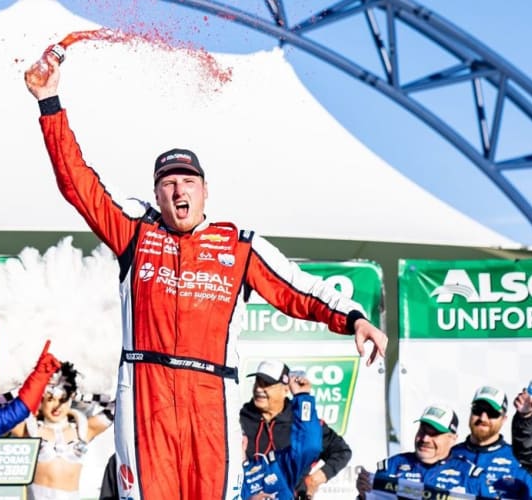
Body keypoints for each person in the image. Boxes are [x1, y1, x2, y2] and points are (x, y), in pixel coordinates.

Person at [24, 49, 389, 499]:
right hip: (147, 394)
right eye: (168, 182)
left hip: (211, 396)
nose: (178, 189)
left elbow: (300, 289)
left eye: (188, 181)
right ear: (156, 193)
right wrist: (49, 102)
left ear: (205, 190)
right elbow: (77, 182)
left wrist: (354, 318)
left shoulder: (238, 244)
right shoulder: (136, 229)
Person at [240, 360, 352, 500]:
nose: (259, 389)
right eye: (258, 382)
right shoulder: (238, 420)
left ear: (285, 389)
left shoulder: (301, 422)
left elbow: (341, 451)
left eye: (267, 384)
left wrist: (314, 480)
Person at [10, 361, 114, 499]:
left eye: (63, 400)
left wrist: (82, 397)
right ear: (41, 400)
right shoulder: (29, 430)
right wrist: (28, 390)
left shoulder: (83, 430)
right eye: (51, 399)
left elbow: (118, 406)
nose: (57, 406)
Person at [356, 405, 488, 498]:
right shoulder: (392, 466)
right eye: (422, 431)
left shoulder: (471, 477)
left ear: (452, 439)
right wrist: (363, 496)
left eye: (434, 434)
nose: (425, 439)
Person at [241, 372, 322, 500]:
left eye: (266, 384)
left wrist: (302, 397)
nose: (259, 389)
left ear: (244, 440)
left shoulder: (273, 467)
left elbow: (309, 446)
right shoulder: (216, 476)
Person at [451, 385, 532, 500]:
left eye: (492, 413)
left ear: (503, 419)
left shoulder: (520, 461)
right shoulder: (448, 455)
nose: (483, 418)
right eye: (477, 410)